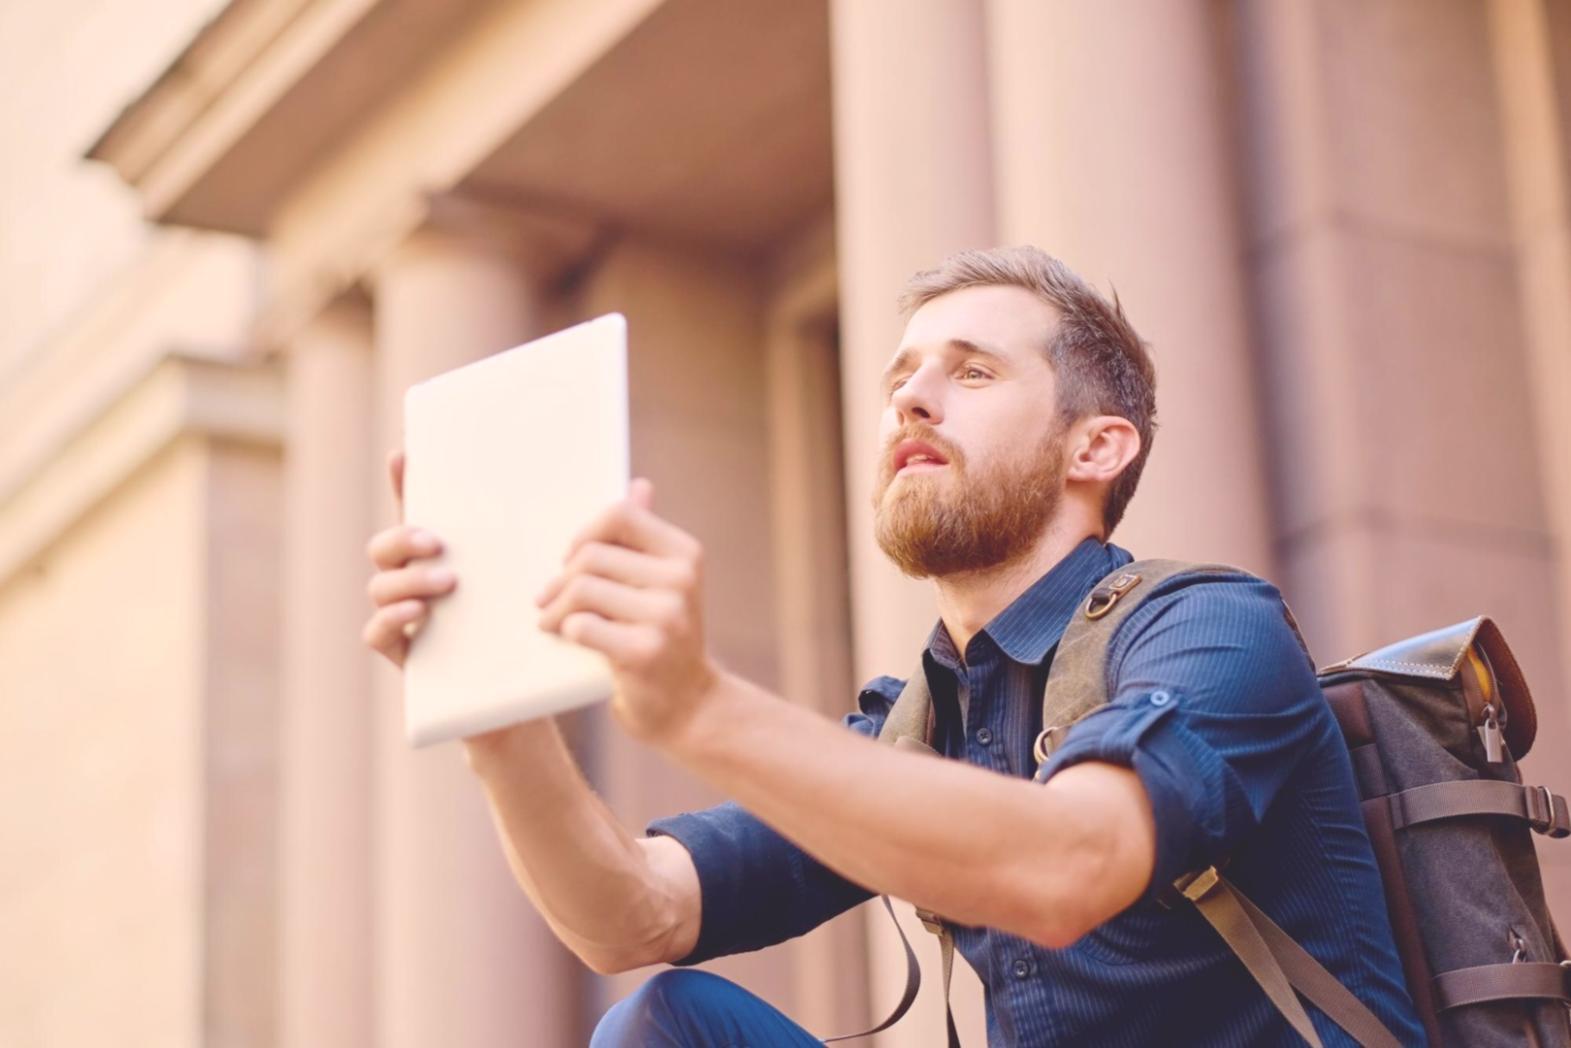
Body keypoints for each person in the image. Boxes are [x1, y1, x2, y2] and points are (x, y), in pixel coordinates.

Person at [362, 246, 1425, 1046]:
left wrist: (697, 706)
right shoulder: (914, 724)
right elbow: (631, 915)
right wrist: (494, 713)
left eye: (969, 373)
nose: (908, 398)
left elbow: (1070, 862)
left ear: (1095, 446)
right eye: (899, 380)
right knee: (665, 1022)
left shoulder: (1208, 627)